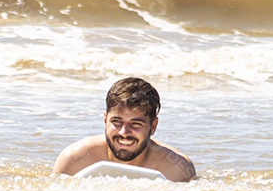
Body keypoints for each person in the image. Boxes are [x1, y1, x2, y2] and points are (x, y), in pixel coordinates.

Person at [53, 77, 196, 182]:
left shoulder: (175, 169)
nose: (124, 133)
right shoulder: (74, 160)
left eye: (136, 124)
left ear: (153, 126)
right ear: (105, 120)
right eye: (117, 122)